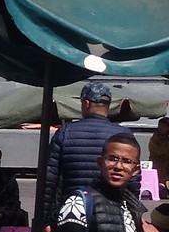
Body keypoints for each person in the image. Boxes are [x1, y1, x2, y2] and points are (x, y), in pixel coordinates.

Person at [43, 80, 135, 214]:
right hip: (112, 212)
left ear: (86, 104)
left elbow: (49, 180)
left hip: (71, 211)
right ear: (108, 106)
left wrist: (46, 218)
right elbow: (133, 182)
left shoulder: (65, 132)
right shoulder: (124, 135)